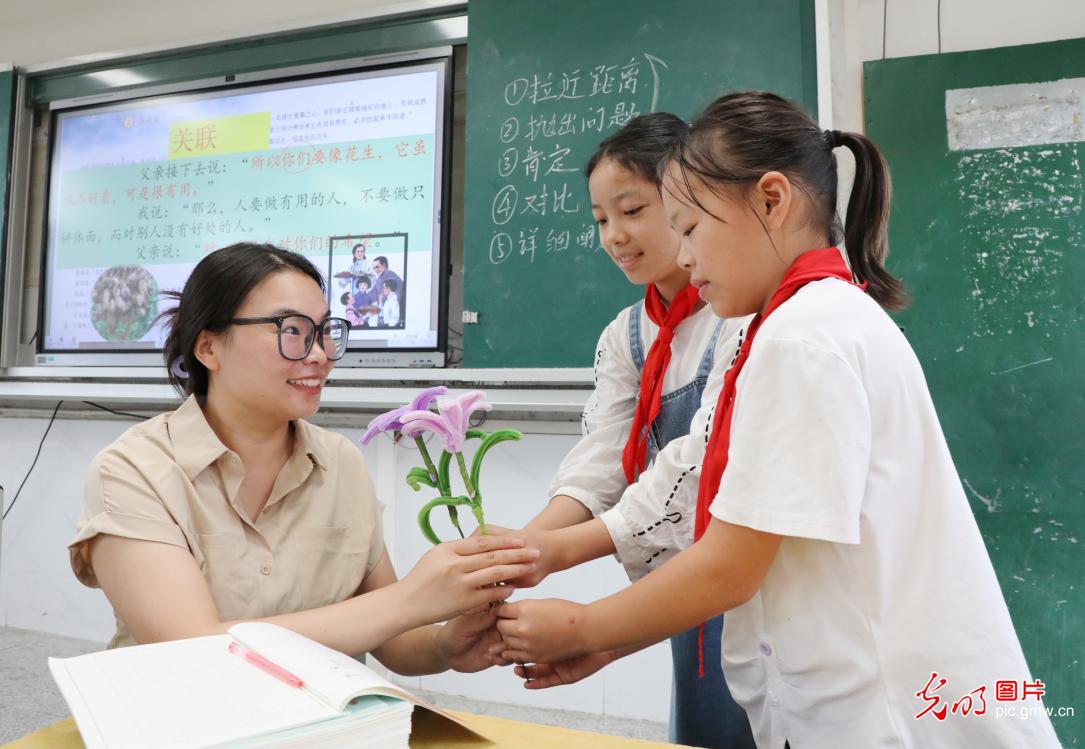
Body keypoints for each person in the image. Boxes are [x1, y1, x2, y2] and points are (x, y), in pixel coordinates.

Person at [492, 92, 1060, 748]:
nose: (685, 257)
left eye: (689, 228)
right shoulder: (808, 319)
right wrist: (602, 634)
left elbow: (730, 564)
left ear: (770, 200)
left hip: (884, 715)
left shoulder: (800, 337)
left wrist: (583, 626)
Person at [69, 243, 537, 680]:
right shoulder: (132, 470)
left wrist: (443, 645)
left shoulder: (341, 463)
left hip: (327, 721)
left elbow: (392, 642)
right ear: (208, 347)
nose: (319, 355)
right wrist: (411, 598)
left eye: (324, 331)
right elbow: (193, 650)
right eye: (291, 331)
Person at [490, 113, 754, 748]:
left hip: (744, 578)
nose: (614, 236)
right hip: (683, 584)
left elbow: (693, 468)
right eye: (600, 219)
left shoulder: (742, 316)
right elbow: (603, 459)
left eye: (632, 210)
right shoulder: (627, 333)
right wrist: (522, 550)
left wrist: (554, 557)